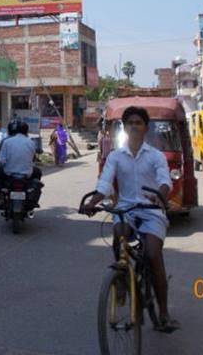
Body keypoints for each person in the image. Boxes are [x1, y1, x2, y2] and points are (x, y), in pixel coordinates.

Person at [82, 107, 179, 333]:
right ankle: (123, 279)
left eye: (138, 122)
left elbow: (165, 182)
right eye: (130, 123)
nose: (134, 126)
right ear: (124, 128)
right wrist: (93, 201)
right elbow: (105, 183)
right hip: (126, 209)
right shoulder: (116, 156)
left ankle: (163, 312)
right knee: (119, 235)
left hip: (151, 210)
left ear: (146, 128)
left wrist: (160, 196)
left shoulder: (155, 156)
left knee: (153, 255)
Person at [0, 120, 42, 206]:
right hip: (27, 174)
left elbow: (1, 160)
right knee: (38, 172)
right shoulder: (30, 142)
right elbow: (33, 159)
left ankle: (0, 195)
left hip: (9, 173)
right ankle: (33, 197)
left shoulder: (6, 142)